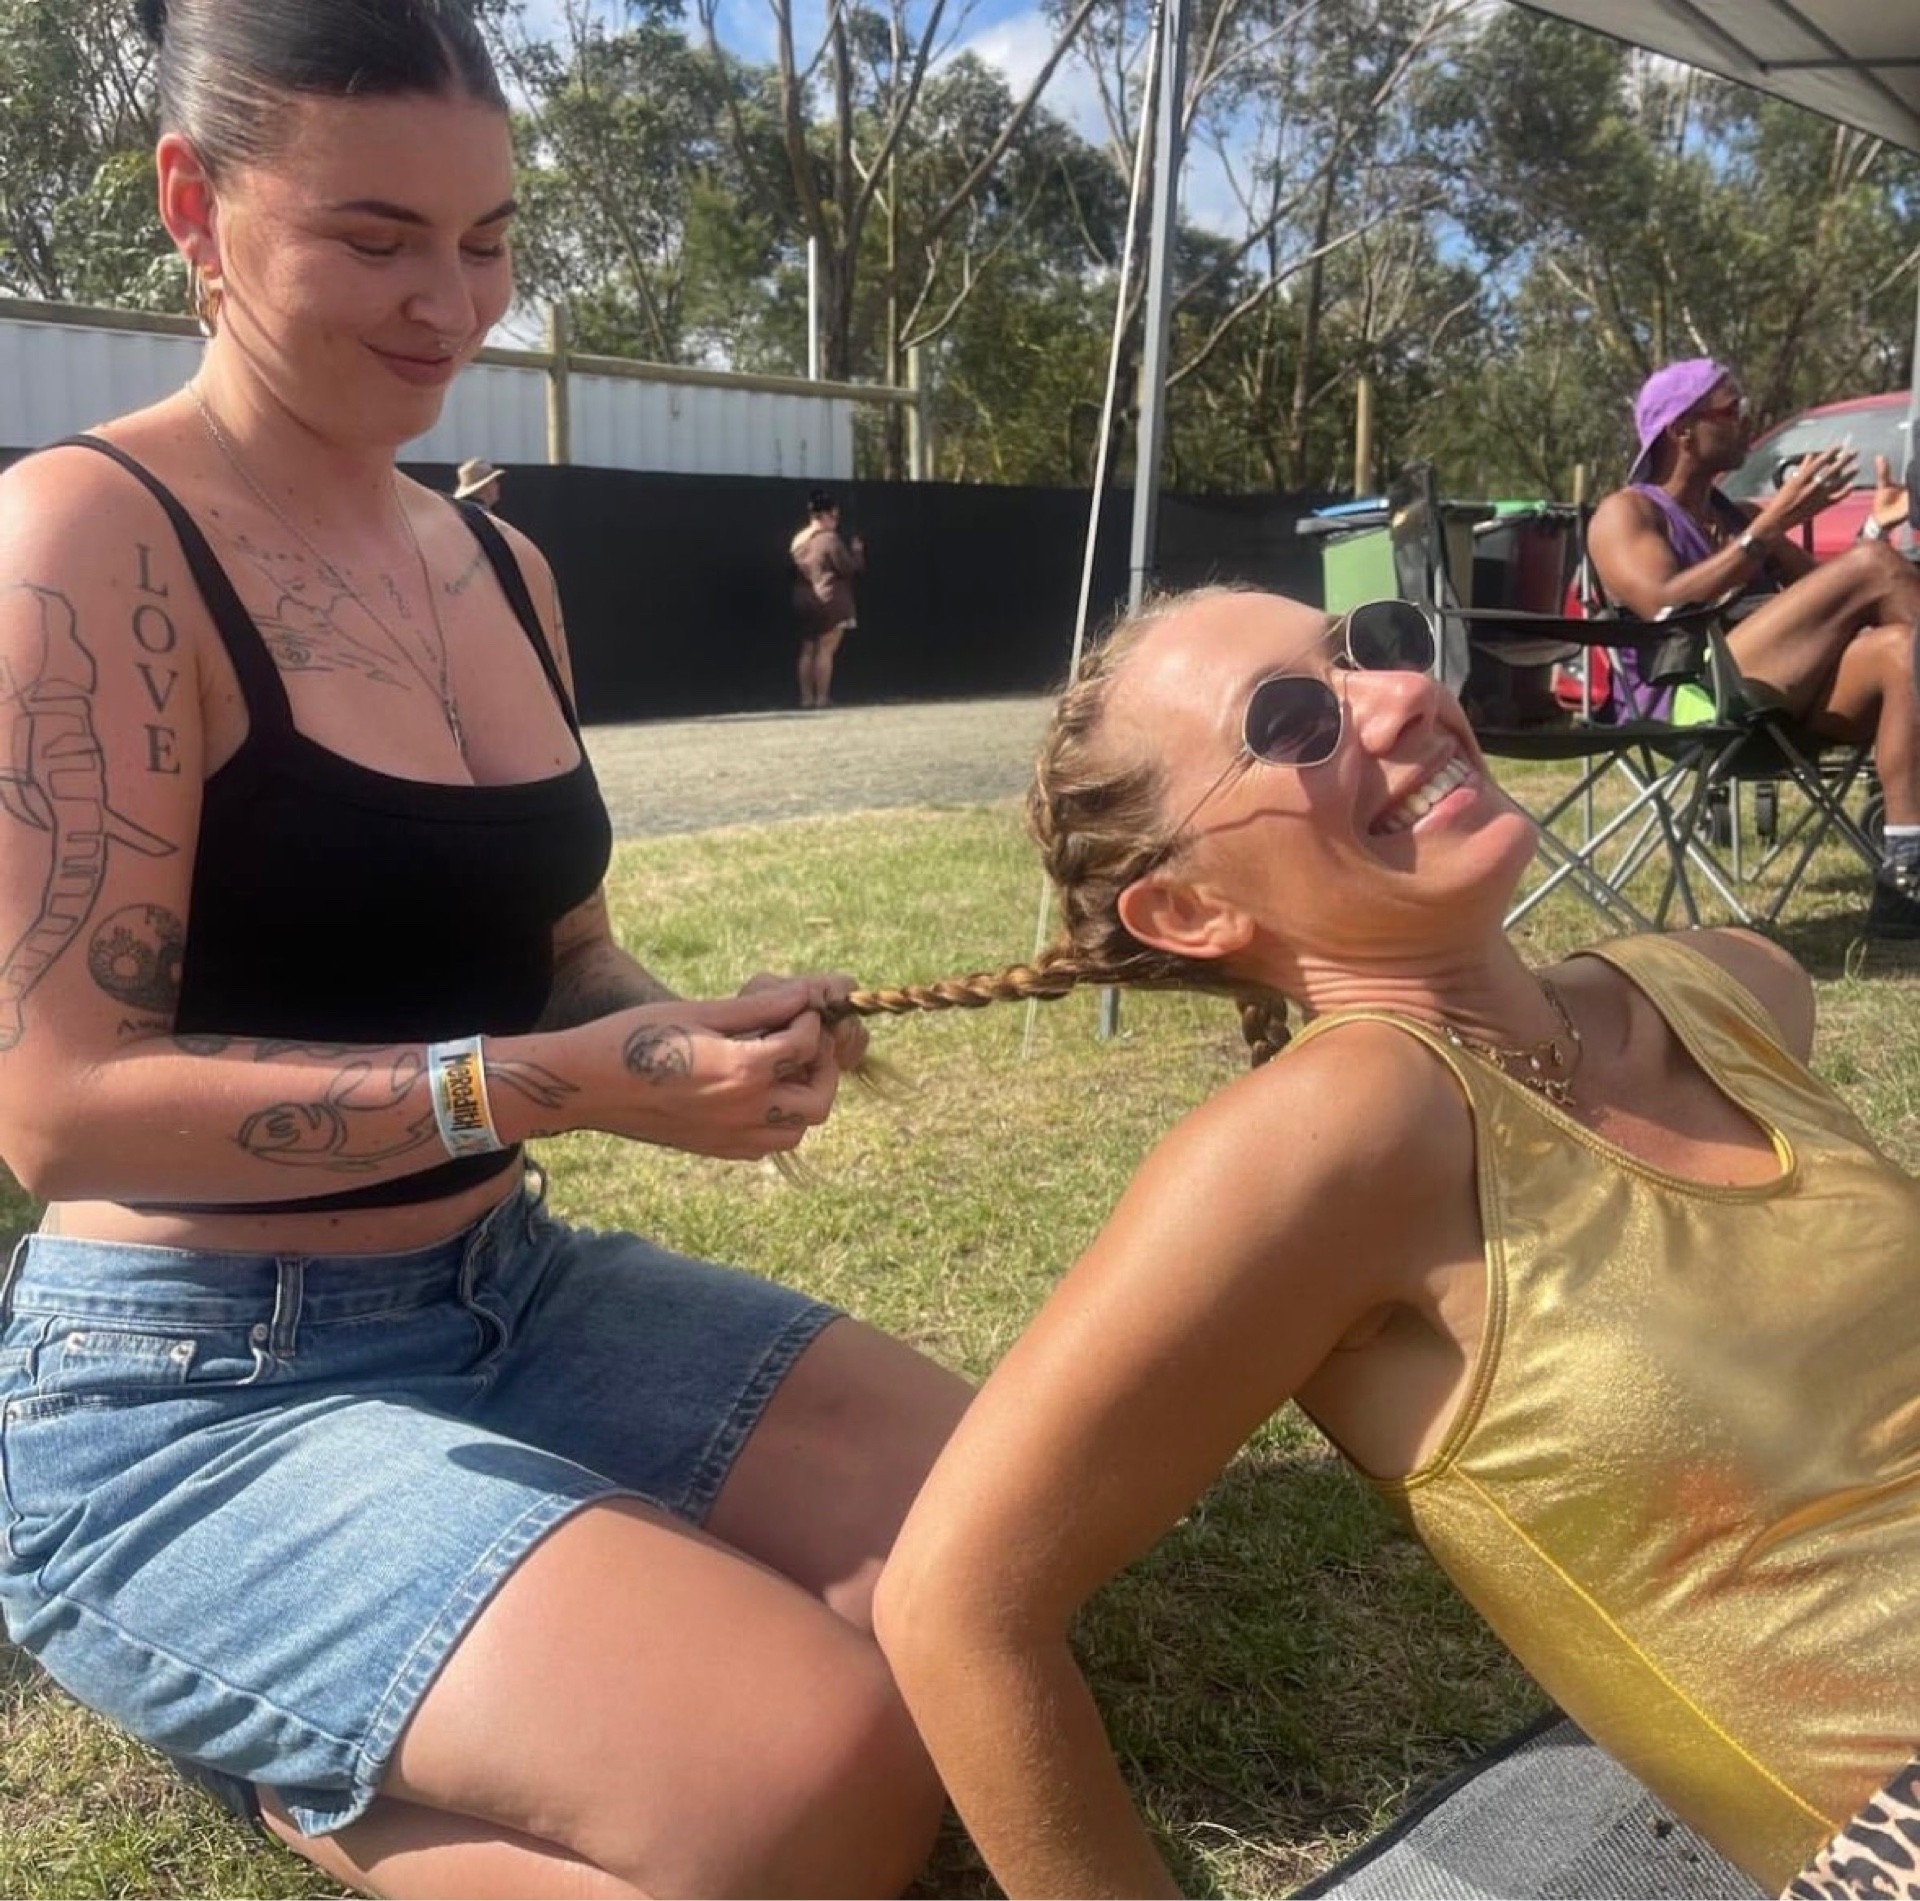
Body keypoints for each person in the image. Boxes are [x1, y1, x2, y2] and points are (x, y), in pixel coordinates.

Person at [0, 5, 968, 1897]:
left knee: (991, 1562)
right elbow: (61, 1112)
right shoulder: (85, 540)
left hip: (514, 1288)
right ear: (194, 205)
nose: (449, 304)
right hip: (192, 1385)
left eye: (487, 240)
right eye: (374, 239)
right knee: (822, 1779)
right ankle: (310, 1763)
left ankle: (475, 1652)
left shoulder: (502, 567)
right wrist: (549, 1090)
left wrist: (687, 1032)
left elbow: (565, 951)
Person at [839, 587, 1920, 1898]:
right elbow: (952, 1606)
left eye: (1376, 648)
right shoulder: (1347, 1129)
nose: (1405, 696)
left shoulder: (1724, 989)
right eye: (1293, 720)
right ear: (1189, 911)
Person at [1586, 357, 1920, 941]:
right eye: (1731, 410)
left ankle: (1905, 877)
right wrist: (1767, 529)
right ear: (1681, 430)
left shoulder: (1734, 515)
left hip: (1771, 703)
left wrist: (1874, 530)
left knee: (1902, 647)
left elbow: (1837, 597)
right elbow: (1662, 603)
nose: (1747, 421)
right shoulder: (1627, 512)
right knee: (1874, 566)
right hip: (1689, 700)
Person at [790, 486, 864, 709]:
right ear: (824, 516)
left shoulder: (798, 542)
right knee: (825, 649)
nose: (836, 522)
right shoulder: (830, 540)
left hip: (803, 599)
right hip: (829, 600)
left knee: (807, 649)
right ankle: (822, 698)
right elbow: (849, 568)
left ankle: (806, 698)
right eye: (834, 517)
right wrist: (857, 551)